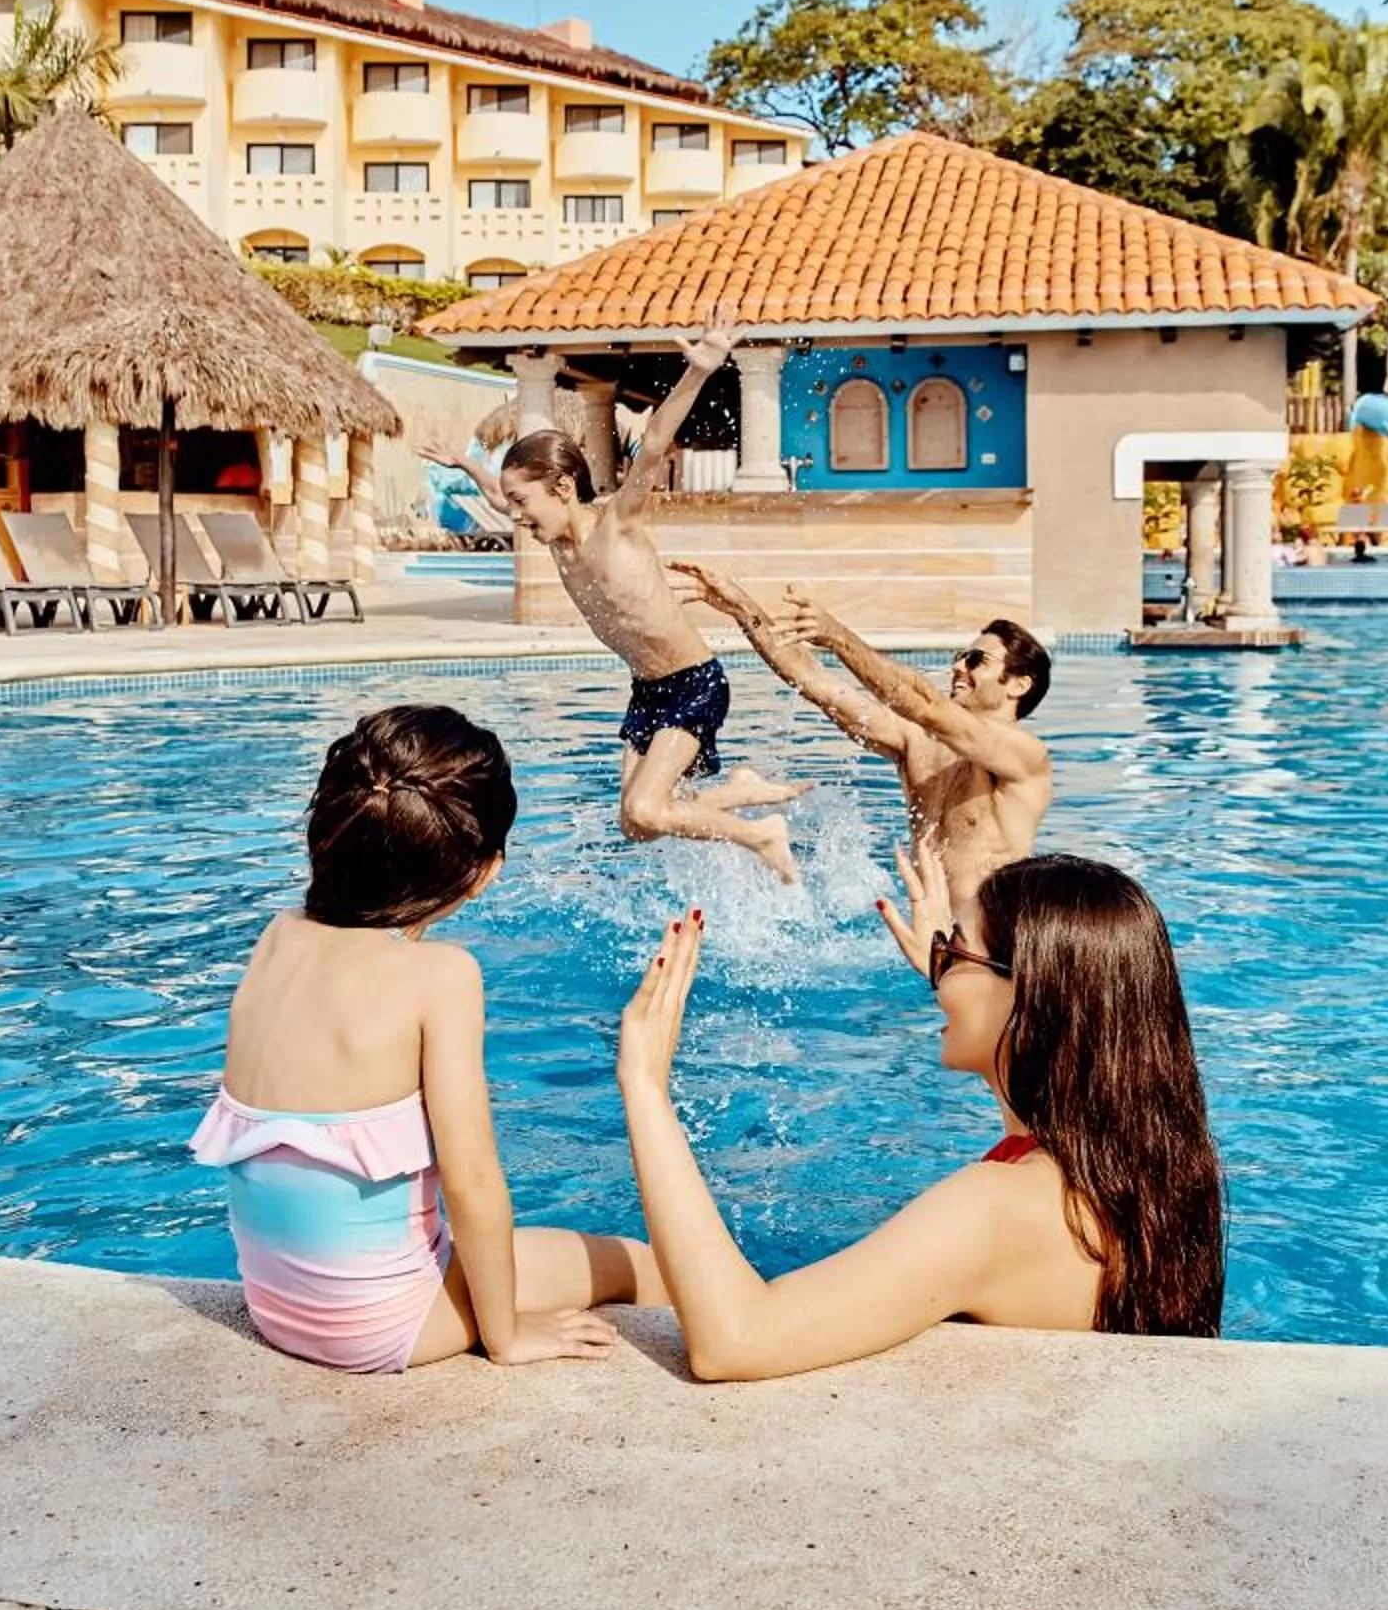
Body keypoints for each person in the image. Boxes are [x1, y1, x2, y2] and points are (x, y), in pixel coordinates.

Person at [615, 847, 1224, 1382]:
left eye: (956, 953)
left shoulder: (999, 1209)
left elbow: (735, 1342)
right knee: (648, 1270)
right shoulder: (1136, 1172)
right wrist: (958, 970)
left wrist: (645, 1085)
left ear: (1030, 994)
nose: (939, 980)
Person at [190, 705, 663, 1372]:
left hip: (278, 1308)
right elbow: (472, 1181)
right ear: (485, 870)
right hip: (383, 1326)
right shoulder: (441, 977)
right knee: (627, 1262)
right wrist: (506, 1336)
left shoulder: (278, 938)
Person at [421, 325, 801, 882]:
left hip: (693, 681)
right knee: (637, 824)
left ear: (563, 488)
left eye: (526, 501)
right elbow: (501, 500)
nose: (518, 516)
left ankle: (762, 835)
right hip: (647, 690)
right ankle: (738, 791)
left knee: (646, 808)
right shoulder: (555, 540)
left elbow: (650, 446)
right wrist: (468, 466)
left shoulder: (616, 525)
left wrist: (700, 368)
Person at [670, 563, 1051, 957]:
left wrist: (837, 637)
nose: (958, 666)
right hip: (929, 944)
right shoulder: (917, 742)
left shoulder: (1024, 758)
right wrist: (739, 606)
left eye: (977, 660)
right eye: (961, 656)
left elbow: (925, 704)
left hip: (994, 953)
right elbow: (816, 683)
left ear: (1019, 685)